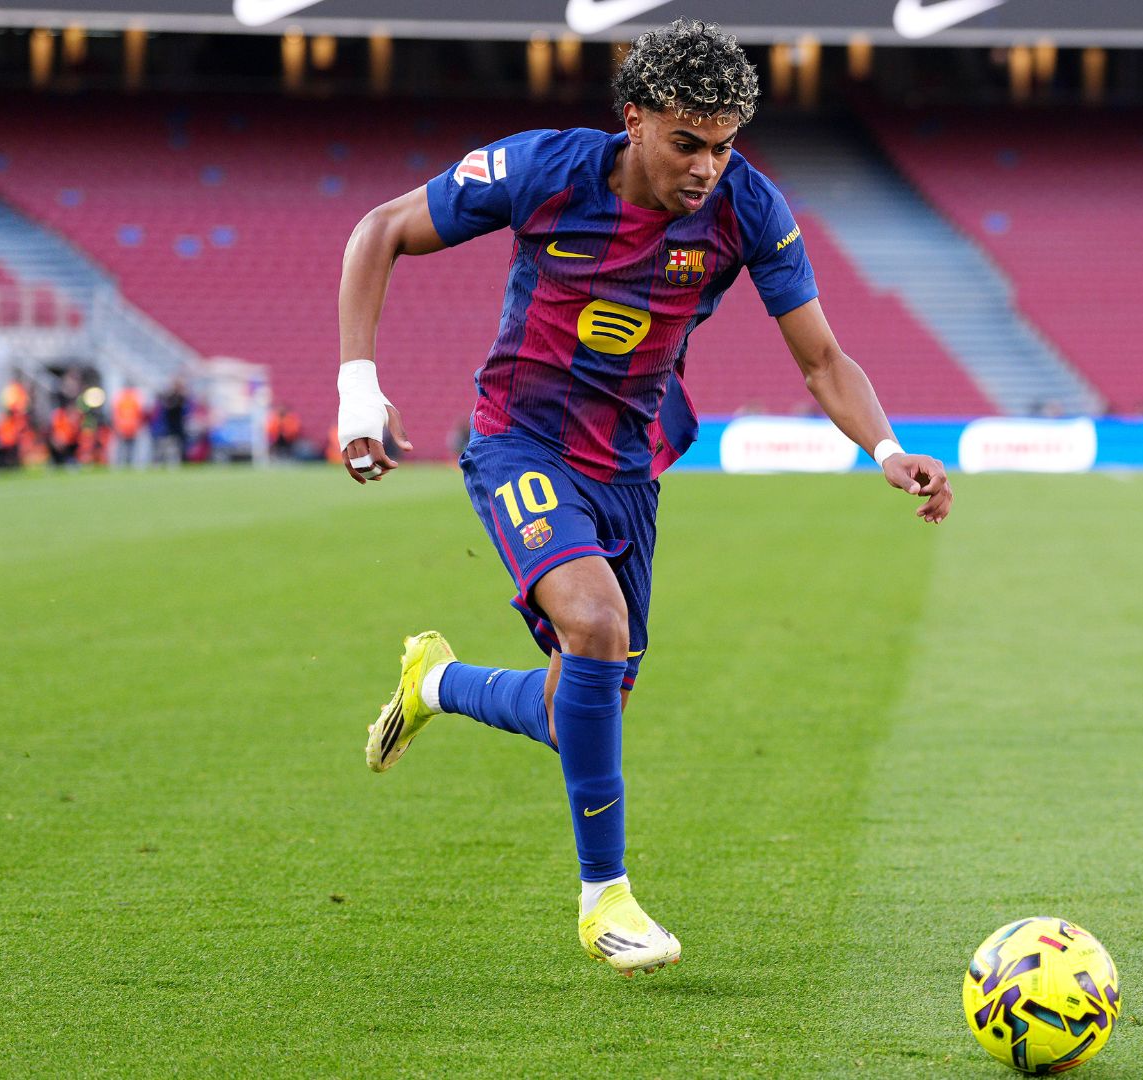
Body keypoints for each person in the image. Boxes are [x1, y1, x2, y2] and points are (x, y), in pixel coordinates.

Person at [335, 19, 951, 978]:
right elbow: (380, 230)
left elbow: (822, 356)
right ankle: (604, 899)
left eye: (724, 145)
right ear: (636, 120)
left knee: (583, 704)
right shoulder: (543, 170)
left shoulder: (749, 209)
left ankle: (437, 683)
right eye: (687, 142)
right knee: (594, 621)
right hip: (519, 442)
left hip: (629, 465)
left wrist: (887, 447)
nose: (707, 166)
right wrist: (355, 387)